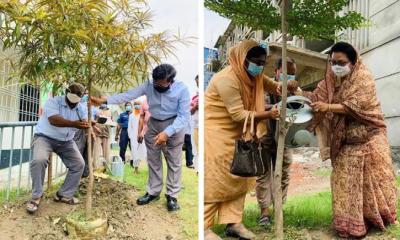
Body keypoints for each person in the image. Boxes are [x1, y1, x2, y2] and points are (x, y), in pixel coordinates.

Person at [204, 40, 298, 240]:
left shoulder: (254, 76)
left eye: (263, 62)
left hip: (241, 134)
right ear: (242, 58)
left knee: (241, 176)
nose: (259, 66)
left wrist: (287, 85)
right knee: (217, 180)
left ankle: (234, 223)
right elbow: (237, 114)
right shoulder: (226, 79)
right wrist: (268, 114)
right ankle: (204, 227)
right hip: (217, 134)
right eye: (255, 61)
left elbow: (273, 86)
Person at [303, 42, 398, 238]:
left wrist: (328, 107)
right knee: (343, 181)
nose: (336, 66)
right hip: (346, 140)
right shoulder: (330, 80)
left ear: (353, 62)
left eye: (341, 62)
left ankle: (377, 218)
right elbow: (314, 98)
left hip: (370, 138)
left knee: (373, 183)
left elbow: (355, 106)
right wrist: (295, 92)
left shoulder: (364, 77)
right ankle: (351, 225)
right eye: (332, 62)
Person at [91, 63, 190, 212]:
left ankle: (172, 196)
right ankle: (153, 192)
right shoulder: (149, 84)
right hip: (154, 122)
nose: (157, 86)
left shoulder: (182, 89)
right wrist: (104, 101)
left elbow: (184, 116)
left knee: (174, 161)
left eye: (161, 84)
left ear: (170, 81)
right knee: (153, 160)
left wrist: (167, 133)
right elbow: (128, 95)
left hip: (174, 124)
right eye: (155, 83)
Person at [26, 83, 89, 214]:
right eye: (70, 101)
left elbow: (84, 121)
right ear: (66, 93)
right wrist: (74, 124)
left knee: (79, 164)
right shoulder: (53, 102)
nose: (72, 105)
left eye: (75, 103)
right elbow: (54, 120)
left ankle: (63, 194)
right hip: (44, 137)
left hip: (66, 141)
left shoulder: (81, 108)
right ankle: (36, 196)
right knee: (39, 160)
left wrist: (90, 124)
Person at [255, 57, 297, 226]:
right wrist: (275, 107)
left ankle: (279, 208)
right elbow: (256, 105)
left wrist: (294, 96)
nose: (290, 77)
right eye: (287, 73)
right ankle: (264, 213)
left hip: (285, 138)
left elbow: (301, 104)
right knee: (263, 174)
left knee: (284, 173)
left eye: (293, 74)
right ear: (277, 71)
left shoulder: (295, 89)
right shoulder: (265, 85)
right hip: (265, 136)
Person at [128, 98, 147, 174]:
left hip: (143, 136)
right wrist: (130, 136)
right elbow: (129, 127)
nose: (137, 106)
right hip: (133, 137)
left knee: (145, 152)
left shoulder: (143, 115)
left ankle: (151, 169)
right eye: (135, 104)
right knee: (135, 152)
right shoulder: (131, 115)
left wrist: (143, 134)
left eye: (138, 104)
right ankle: (136, 169)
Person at [191, 75, 199, 171]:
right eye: (196, 82)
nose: (197, 84)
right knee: (196, 149)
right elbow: (190, 111)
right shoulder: (194, 97)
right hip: (196, 126)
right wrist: (195, 106)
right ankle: (198, 169)